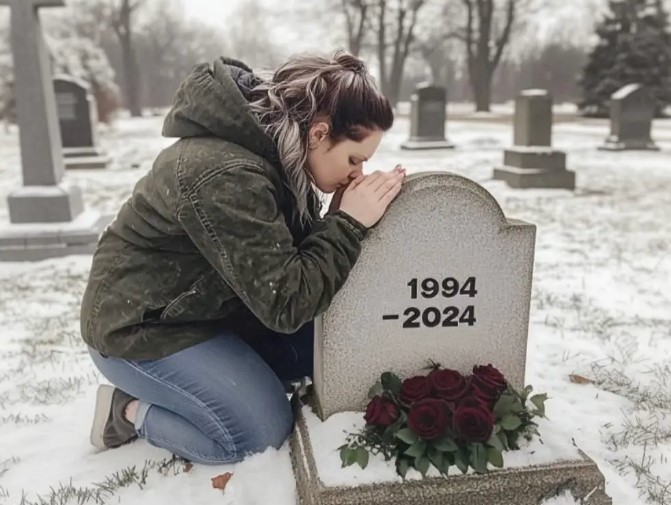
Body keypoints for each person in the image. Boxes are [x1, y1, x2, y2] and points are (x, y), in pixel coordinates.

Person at [80, 50, 406, 465]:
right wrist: (346, 225)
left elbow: (296, 270)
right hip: (143, 330)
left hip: (211, 311)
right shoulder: (227, 175)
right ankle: (127, 410)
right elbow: (286, 303)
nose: (358, 172)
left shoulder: (283, 153)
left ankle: (221, 383)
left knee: (329, 345)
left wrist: (339, 218)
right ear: (319, 134)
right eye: (355, 158)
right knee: (258, 432)